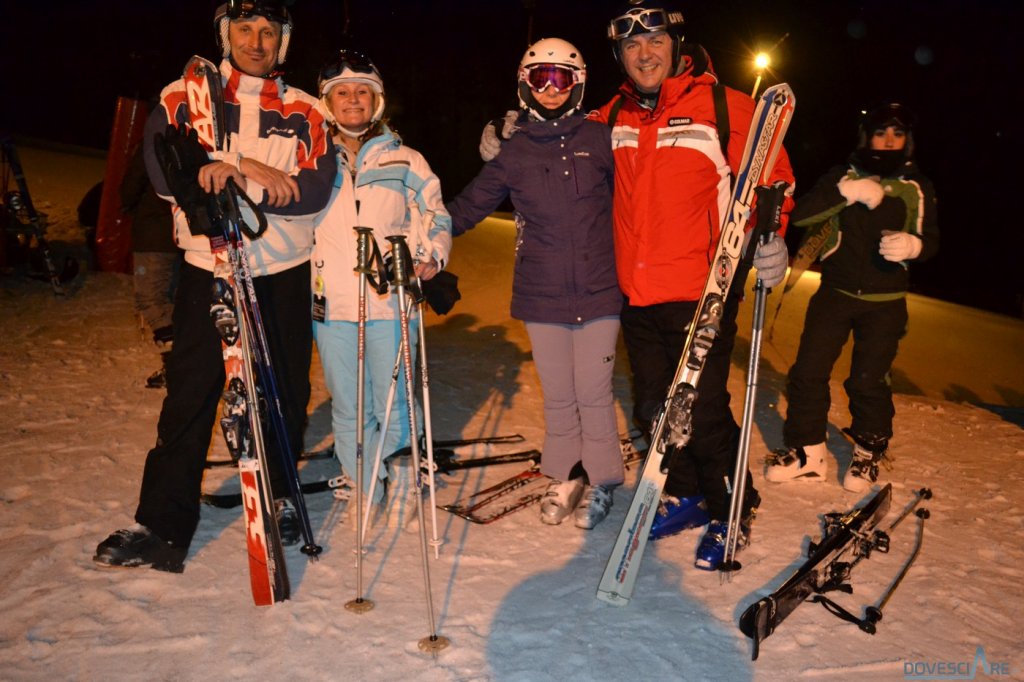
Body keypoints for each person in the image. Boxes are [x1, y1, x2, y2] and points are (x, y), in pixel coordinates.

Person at [94, 0, 336, 572]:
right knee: (191, 394)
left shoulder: (306, 110)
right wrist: (229, 173)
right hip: (210, 269)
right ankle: (161, 524)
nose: (257, 41)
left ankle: (278, 493)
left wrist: (243, 167)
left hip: (280, 273)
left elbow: (313, 188)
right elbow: (162, 172)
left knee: (282, 392)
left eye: (269, 32)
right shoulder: (184, 95)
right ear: (226, 35)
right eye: (246, 30)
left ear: (284, 42)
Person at [450, 38, 623, 530]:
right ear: (524, 85)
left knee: (593, 390)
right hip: (541, 292)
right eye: (540, 78)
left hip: (599, 288)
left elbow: (642, 191)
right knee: (558, 394)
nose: (551, 88)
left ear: (578, 83)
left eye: (561, 79)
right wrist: (422, 233)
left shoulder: (601, 138)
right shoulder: (514, 149)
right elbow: (468, 206)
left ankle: (602, 479)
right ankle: (566, 474)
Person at [765, 103, 938, 492]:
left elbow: (932, 241)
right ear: (867, 137)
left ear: (908, 141)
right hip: (835, 294)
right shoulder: (842, 174)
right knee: (808, 372)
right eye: (881, 133)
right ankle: (808, 453)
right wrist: (846, 191)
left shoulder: (916, 186)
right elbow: (804, 213)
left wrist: (913, 246)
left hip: (886, 302)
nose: (889, 141)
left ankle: (868, 451)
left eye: (897, 134)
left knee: (867, 380)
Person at [311, 49, 451, 506]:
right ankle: (364, 479)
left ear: (378, 101)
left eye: (363, 92)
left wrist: (430, 255)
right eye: (343, 93)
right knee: (349, 404)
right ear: (327, 102)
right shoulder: (312, 159)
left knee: (391, 402)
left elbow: (435, 213)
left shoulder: (406, 159)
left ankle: (403, 475)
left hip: (391, 303)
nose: (354, 100)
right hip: (332, 304)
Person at [120, 141, 181, 389]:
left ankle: (176, 368)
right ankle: (179, 366)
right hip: (181, 234)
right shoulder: (195, 131)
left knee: (150, 299)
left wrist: (129, 204)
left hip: (154, 234)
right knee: (172, 300)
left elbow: (132, 184)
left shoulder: (154, 138)